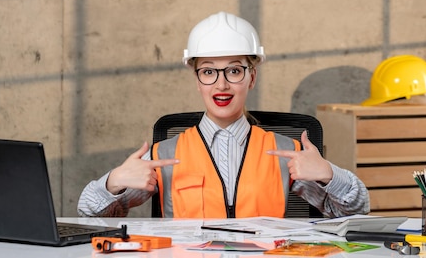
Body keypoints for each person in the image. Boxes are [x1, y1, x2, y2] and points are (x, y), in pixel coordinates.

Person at [78, 11, 370, 218]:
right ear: (197, 80)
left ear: (251, 78)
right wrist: (113, 181)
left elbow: (357, 210)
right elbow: (90, 215)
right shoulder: (162, 155)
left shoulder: (288, 154)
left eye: (234, 70)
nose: (221, 84)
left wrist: (330, 176)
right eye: (208, 71)